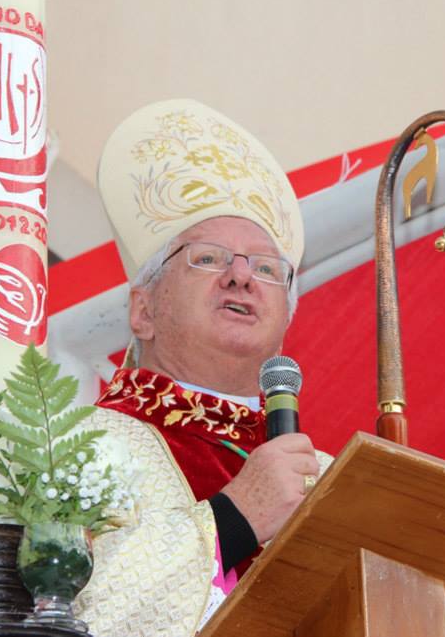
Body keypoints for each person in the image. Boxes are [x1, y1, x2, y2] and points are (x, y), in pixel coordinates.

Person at [74, 99, 332, 636]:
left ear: (285, 321)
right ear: (144, 310)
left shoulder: (330, 476)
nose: (241, 277)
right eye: (209, 258)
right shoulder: (84, 445)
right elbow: (85, 618)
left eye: (267, 268)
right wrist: (236, 518)